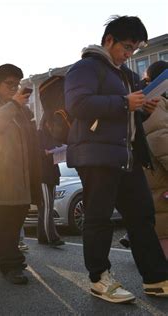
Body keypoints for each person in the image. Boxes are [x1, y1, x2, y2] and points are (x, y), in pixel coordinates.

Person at [65, 16, 168, 303]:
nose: (129, 54)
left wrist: (144, 108)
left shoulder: (126, 74)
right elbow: (77, 105)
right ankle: (99, 279)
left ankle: (156, 278)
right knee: (99, 217)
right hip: (97, 155)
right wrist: (125, 103)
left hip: (127, 155)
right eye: (126, 47)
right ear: (108, 40)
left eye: (134, 49)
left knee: (142, 214)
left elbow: (127, 115)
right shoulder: (85, 67)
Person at [0, 63, 41, 284]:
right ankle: (12, 265)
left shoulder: (19, 106)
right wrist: (14, 104)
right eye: (9, 84)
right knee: (6, 221)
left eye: (17, 84)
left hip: (21, 171)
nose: (14, 88)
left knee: (16, 217)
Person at [142, 60, 168, 259]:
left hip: (158, 179)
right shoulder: (155, 103)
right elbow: (161, 142)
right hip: (161, 180)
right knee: (164, 228)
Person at [37, 115, 65, 247]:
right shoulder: (38, 135)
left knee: (47, 207)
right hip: (43, 175)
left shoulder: (54, 136)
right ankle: (51, 238)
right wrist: (45, 153)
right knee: (47, 207)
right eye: (49, 122)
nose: (51, 125)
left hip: (53, 174)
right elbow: (34, 153)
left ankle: (43, 236)